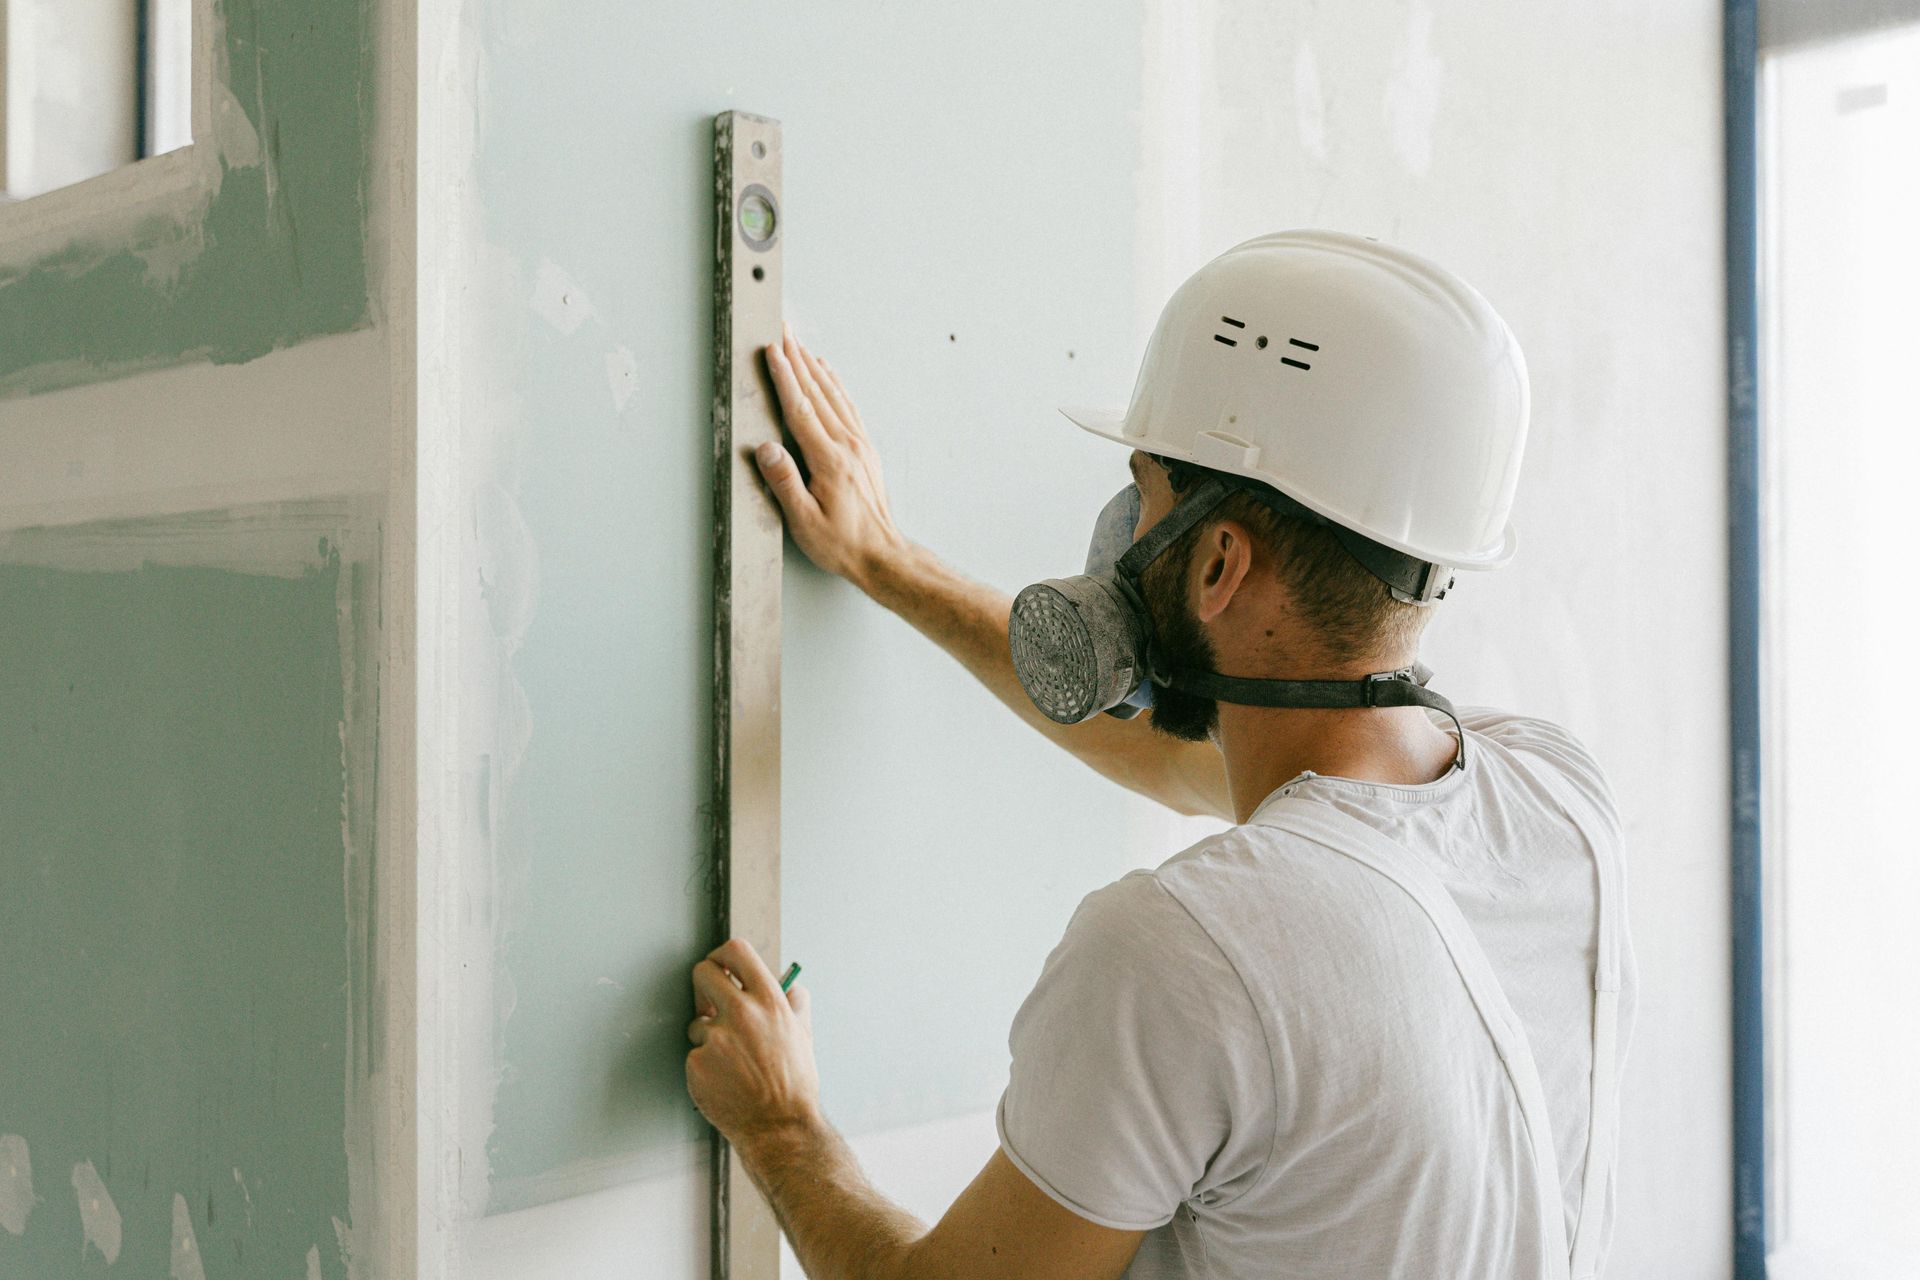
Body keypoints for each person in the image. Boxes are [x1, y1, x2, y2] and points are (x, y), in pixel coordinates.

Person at [685, 230, 1634, 1279]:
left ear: (1220, 558)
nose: (1124, 528)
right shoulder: (1556, 795)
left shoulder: (1183, 952)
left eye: (1145, 494)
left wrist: (779, 1127)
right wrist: (888, 562)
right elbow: (1172, 760)